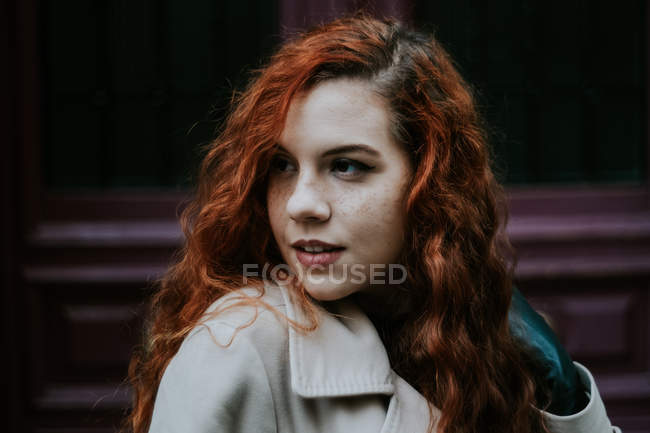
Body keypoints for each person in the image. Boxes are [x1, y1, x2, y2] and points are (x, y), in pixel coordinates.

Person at [123, 14, 622, 433]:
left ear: (429, 182)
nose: (301, 204)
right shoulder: (237, 346)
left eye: (346, 166)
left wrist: (563, 395)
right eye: (281, 164)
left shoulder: (472, 336)